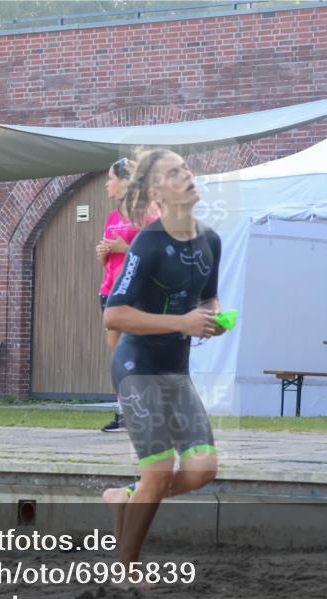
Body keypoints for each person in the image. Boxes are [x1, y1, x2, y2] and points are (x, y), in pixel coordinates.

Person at [100, 148, 225, 574]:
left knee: (203, 469)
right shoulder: (149, 243)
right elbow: (113, 314)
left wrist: (212, 317)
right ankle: (125, 572)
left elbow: (208, 295)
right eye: (174, 173)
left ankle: (125, 498)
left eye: (186, 168)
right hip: (136, 367)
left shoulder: (210, 240)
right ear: (157, 192)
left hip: (175, 369)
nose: (187, 175)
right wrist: (182, 321)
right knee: (159, 468)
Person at [95, 158, 158, 433]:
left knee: (140, 353)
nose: (107, 184)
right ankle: (125, 412)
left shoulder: (148, 214)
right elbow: (111, 262)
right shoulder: (111, 217)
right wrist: (104, 256)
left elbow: (156, 251)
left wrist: (125, 246)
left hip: (136, 291)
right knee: (118, 355)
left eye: (110, 178)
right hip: (110, 290)